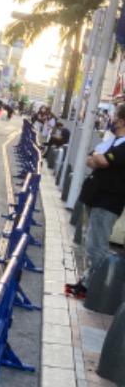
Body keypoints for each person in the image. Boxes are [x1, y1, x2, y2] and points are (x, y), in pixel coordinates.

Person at [65, 103, 125, 300]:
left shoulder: (122, 145)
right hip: (94, 196)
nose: (112, 119)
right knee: (89, 244)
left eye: (115, 116)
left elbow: (103, 161)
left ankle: (95, 289)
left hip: (107, 202)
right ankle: (87, 282)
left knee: (96, 246)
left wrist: (99, 159)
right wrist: (98, 158)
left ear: (122, 121)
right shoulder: (111, 141)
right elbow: (91, 159)